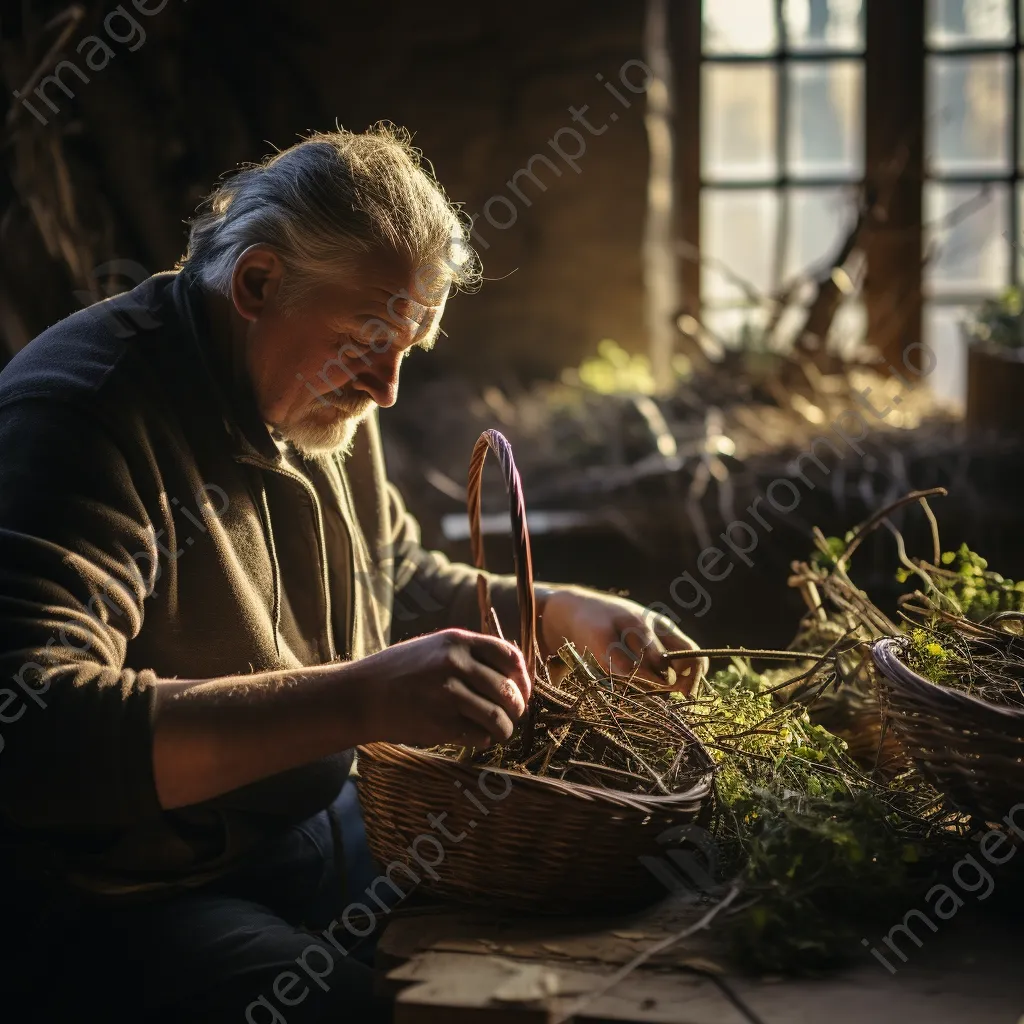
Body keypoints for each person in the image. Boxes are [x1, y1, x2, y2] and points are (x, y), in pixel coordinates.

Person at [0, 125, 702, 1022]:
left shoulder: (314, 392)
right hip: (133, 896)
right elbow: (35, 733)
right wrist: (359, 701)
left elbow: (395, 575)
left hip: (316, 828)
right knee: (372, 1011)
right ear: (257, 283)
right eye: (371, 340)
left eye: (409, 348)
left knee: (602, 921)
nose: (388, 392)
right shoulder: (83, 415)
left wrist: (556, 611)